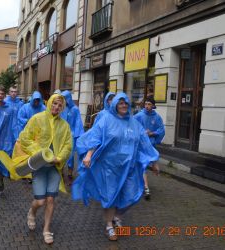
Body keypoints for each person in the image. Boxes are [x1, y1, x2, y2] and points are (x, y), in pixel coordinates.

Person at [72, 92, 159, 241]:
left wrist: (154, 161)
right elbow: (95, 137)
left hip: (129, 168)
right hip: (109, 168)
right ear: (115, 105)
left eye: (126, 103)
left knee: (132, 194)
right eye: (120, 103)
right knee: (110, 196)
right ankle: (109, 226)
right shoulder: (106, 119)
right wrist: (88, 155)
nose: (124, 105)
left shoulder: (134, 123)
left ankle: (117, 217)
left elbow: (144, 143)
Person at [9, 94, 72, 244]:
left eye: (59, 105)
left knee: (50, 199)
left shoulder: (64, 125)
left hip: (54, 168)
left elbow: (68, 145)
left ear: (62, 108)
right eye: (54, 103)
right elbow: (25, 138)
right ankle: (32, 211)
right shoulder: (37, 118)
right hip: (39, 166)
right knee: (40, 201)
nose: (56, 107)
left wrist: (60, 157)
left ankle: (46, 229)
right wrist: (40, 153)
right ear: (49, 103)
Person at [134, 96, 165, 200]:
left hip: (151, 146)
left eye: (149, 104)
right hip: (141, 146)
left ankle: (154, 168)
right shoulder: (139, 115)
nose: (147, 106)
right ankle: (146, 187)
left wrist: (152, 133)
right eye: (146, 104)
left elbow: (161, 129)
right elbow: (132, 126)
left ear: (153, 106)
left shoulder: (157, 117)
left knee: (155, 166)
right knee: (142, 165)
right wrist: (141, 133)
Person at [61, 90, 84, 184]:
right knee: (61, 153)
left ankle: (70, 173)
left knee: (70, 156)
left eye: (64, 99)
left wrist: (78, 135)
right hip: (62, 135)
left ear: (68, 99)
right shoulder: (63, 108)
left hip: (71, 135)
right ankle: (61, 171)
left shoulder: (75, 109)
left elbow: (78, 123)